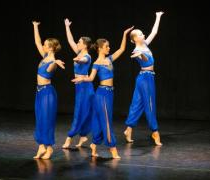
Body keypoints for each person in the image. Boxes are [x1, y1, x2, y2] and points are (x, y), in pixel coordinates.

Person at [72, 26, 133, 158]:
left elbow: (122, 49)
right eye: (106, 46)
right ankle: (112, 148)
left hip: (110, 93)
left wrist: (124, 34)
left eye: (109, 46)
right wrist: (82, 77)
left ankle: (94, 143)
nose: (109, 48)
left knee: (101, 120)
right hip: (101, 95)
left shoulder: (109, 59)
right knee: (106, 120)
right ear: (100, 48)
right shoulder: (97, 63)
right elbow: (91, 78)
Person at [123, 12, 164, 146]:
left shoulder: (145, 44)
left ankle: (128, 129)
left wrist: (158, 17)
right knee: (150, 104)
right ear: (135, 39)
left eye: (142, 33)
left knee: (137, 103)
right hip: (146, 79)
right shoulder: (136, 50)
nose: (143, 35)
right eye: (140, 34)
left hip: (144, 78)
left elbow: (154, 32)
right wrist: (141, 55)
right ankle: (155, 131)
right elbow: (145, 60)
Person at [32, 21, 65, 159]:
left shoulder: (52, 61)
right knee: (39, 119)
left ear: (51, 48)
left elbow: (51, 69)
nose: (43, 46)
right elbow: (37, 42)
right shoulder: (45, 57)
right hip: (39, 92)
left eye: (46, 45)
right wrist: (35, 27)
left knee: (47, 120)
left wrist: (56, 63)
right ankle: (41, 147)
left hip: (48, 93)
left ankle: (49, 148)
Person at [62, 18, 94, 148]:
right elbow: (70, 40)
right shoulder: (79, 52)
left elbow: (83, 61)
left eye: (79, 42)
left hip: (85, 86)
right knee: (83, 110)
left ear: (85, 45)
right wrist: (67, 26)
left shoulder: (87, 56)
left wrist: (78, 60)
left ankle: (69, 137)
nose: (77, 43)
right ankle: (83, 136)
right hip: (79, 86)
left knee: (80, 111)